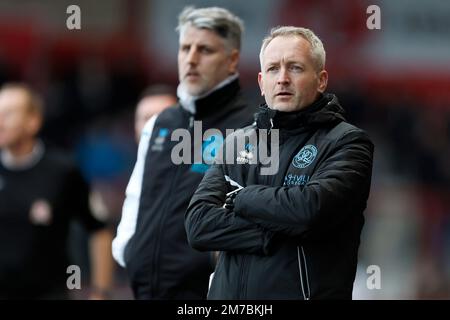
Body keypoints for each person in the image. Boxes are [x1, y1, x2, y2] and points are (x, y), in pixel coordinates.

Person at [185, 26, 374, 299]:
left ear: (321, 80)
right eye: (273, 69)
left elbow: (310, 209)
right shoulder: (237, 142)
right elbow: (198, 225)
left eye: (295, 68)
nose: (283, 79)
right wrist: (274, 233)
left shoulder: (347, 142)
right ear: (262, 83)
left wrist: (240, 199)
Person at [112, 7, 255, 299]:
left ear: (232, 60)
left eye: (205, 50)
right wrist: (128, 249)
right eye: (185, 48)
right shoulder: (160, 123)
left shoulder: (251, 129)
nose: (191, 59)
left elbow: (254, 217)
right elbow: (137, 195)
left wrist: (214, 271)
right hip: (145, 288)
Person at [0, 83, 114, 299]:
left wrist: (101, 292)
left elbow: (98, 229)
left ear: (33, 121)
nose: (0, 122)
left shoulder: (62, 171)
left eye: (8, 114)